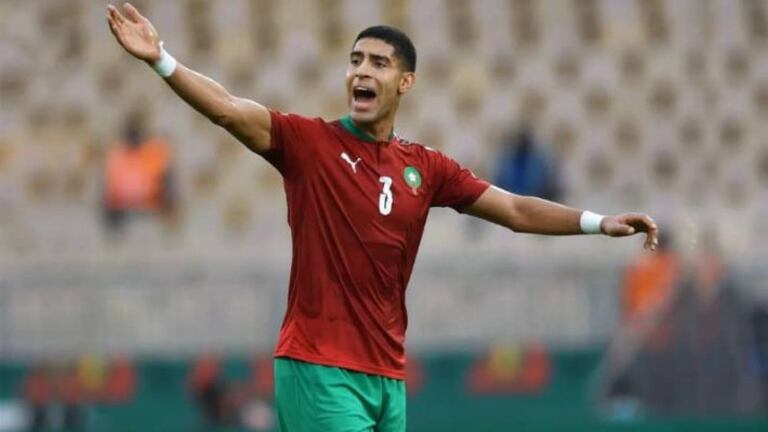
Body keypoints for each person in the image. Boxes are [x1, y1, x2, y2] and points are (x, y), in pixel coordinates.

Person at [106, 4, 658, 431]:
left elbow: (513, 209)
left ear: (405, 82)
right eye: (355, 61)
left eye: (377, 62)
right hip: (318, 366)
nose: (361, 72)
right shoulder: (310, 144)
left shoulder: (426, 167)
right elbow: (228, 109)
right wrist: (161, 60)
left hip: (387, 376)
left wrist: (598, 222)